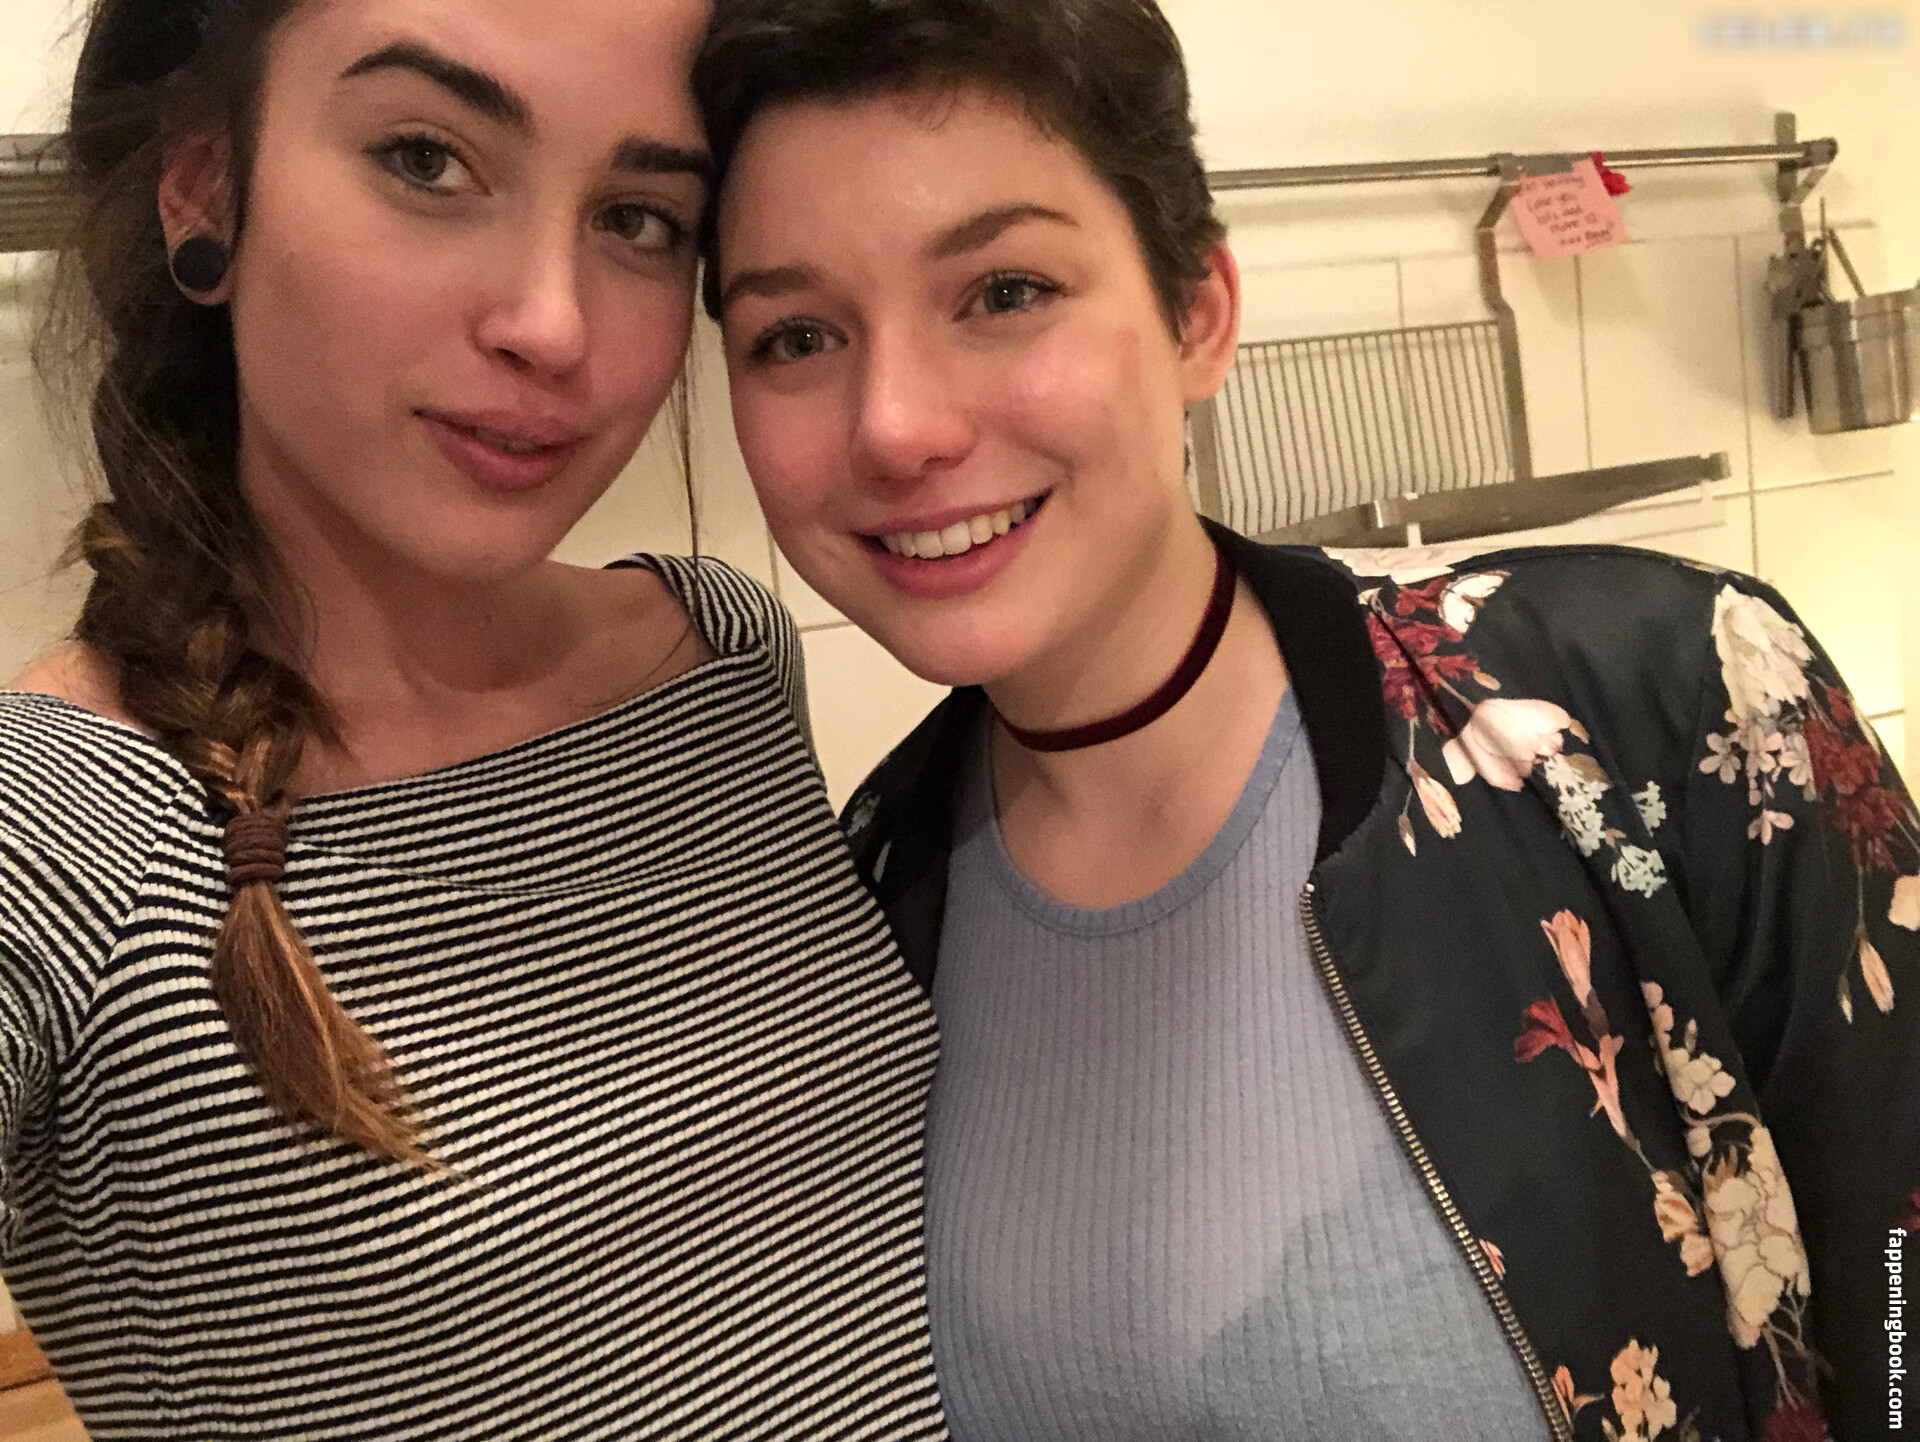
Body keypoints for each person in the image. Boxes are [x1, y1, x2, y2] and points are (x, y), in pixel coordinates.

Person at [694, 0, 1920, 1436]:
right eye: (795, 335)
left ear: (1197, 314)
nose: (894, 424)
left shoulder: (1667, 698)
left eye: (1005, 291)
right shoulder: (876, 896)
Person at [0, 0, 949, 1435]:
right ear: (203, 185)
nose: (551, 324)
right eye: (427, 160)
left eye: (637, 218)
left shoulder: (716, 654)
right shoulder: (58, 823)